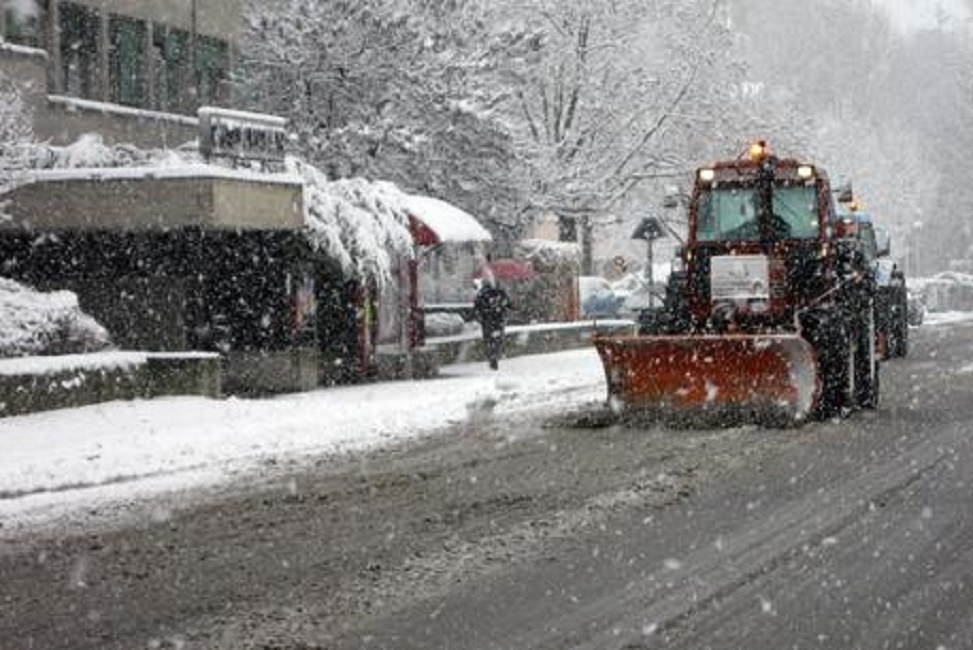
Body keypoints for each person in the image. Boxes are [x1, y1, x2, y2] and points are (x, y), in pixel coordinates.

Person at [473, 277, 512, 370]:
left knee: (488, 339)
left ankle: (491, 356)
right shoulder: (501, 292)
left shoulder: (482, 293)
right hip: (498, 320)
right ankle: (495, 355)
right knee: (498, 339)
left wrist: (481, 316)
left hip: (487, 321)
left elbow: (477, 307)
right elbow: (509, 305)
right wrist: (503, 311)